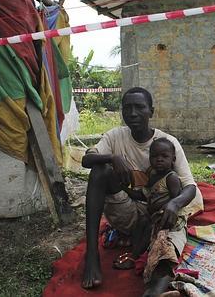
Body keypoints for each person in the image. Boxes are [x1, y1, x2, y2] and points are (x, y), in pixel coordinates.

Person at [80, 87, 203, 296]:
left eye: (139, 107)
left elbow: (190, 187)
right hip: (130, 211)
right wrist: (112, 158)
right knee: (99, 170)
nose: (133, 113)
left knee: (164, 250)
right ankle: (92, 256)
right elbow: (86, 160)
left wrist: (173, 204)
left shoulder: (168, 143)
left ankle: (155, 289)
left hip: (162, 214)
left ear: (151, 111)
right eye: (127, 108)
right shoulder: (115, 136)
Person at [113, 138, 185, 284]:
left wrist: (165, 210)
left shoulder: (171, 178)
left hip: (168, 219)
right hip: (152, 215)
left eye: (164, 157)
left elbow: (177, 202)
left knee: (147, 226)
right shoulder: (152, 177)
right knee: (141, 223)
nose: (159, 160)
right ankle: (137, 249)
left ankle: (134, 255)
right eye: (154, 156)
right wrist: (124, 188)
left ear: (173, 159)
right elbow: (143, 195)